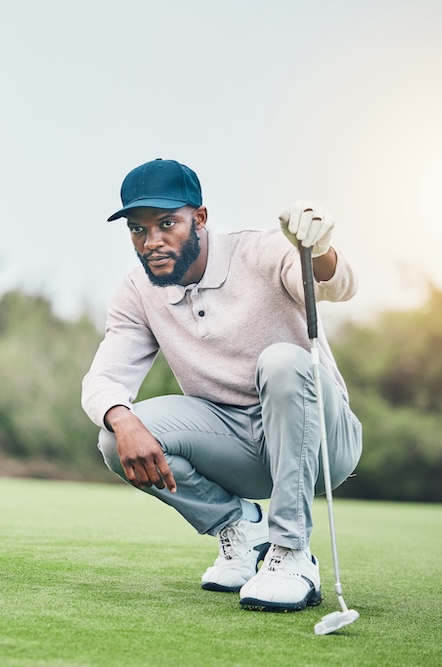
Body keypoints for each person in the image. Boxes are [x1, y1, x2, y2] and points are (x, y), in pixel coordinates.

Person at [81, 158, 363, 611]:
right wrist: (120, 417)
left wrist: (321, 247)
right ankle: (238, 525)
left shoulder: (262, 252)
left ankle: (290, 554)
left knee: (282, 361)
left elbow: (335, 286)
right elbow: (105, 378)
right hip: (237, 444)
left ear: (201, 218)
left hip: (323, 441)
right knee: (115, 438)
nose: (151, 242)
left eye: (167, 223)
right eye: (138, 229)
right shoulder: (137, 290)